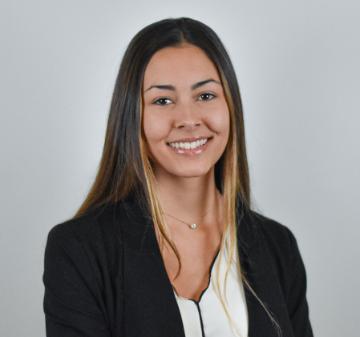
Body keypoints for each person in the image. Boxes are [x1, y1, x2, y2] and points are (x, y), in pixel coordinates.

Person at [42, 17, 314, 337]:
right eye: (162, 100)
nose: (187, 119)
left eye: (206, 96)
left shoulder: (277, 246)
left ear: (231, 106)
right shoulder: (80, 249)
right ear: (133, 118)